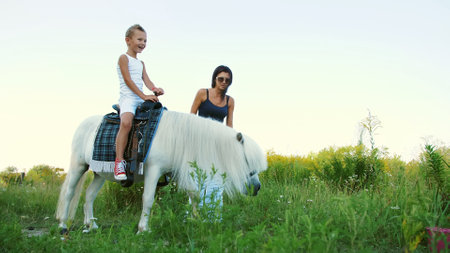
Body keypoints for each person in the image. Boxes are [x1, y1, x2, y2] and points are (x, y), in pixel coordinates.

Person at [114, 24, 164, 180]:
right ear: (128, 40)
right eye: (140, 39)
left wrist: (155, 89)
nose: (143, 43)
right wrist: (144, 96)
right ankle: (119, 161)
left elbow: (147, 81)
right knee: (127, 123)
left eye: (145, 41)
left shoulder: (141, 63)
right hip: (129, 98)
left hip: (140, 97)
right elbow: (128, 80)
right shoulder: (124, 58)